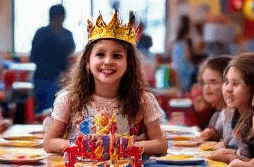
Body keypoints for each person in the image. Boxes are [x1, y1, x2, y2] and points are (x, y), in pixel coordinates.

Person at [43, 12, 167, 156]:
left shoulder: (143, 101)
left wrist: (125, 146)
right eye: (100, 54)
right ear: (87, 63)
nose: (108, 61)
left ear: (129, 64)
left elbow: (160, 144)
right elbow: (49, 142)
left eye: (117, 56)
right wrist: (79, 146)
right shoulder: (69, 99)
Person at [206, 52, 254, 163]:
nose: (228, 89)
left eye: (235, 84)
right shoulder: (233, 114)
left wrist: (232, 155)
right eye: (226, 82)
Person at [30, 4, 75, 114]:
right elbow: (70, 58)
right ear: (63, 17)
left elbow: (32, 57)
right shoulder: (66, 34)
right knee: (55, 112)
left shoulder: (40, 33)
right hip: (57, 79)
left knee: (42, 113)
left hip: (42, 77)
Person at [193, 55, 230, 133]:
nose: (207, 87)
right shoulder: (216, 116)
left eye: (213, 82)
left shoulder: (234, 117)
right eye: (204, 83)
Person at [171, 15, 197, 90]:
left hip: (176, 71)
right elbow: (188, 57)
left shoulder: (175, 42)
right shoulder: (185, 41)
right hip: (186, 72)